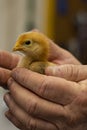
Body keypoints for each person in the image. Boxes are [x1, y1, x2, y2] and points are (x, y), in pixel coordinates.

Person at [0, 33, 87, 130]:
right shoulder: (29, 63)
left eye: (27, 43)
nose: (16, 46)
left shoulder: (37, 67)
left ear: (40, 47)